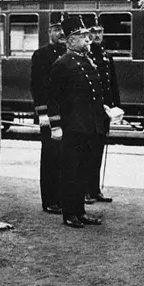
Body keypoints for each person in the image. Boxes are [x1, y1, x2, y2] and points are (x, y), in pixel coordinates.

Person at [47, 16, 107, 229]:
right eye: (82, 37)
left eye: (87, 36)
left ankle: (80, 211)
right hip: (72, 127)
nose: (88, 40)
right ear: (70, 41)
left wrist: (105, 110)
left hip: (89, 126)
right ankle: (69, 214)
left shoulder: (87, 60)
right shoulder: (62, 64)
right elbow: (52, 98)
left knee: (83, 170)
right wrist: (55, 126)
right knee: (70, 171)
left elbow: (93, 95)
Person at [30, 13, 67, 214]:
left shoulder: (69, 53)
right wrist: (42, 114)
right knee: (51, 156)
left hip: (67, 114)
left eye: (62, 29)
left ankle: (63, 198)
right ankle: (50, 200)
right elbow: (37, 86)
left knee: (65, 157)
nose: (60, 33)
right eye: (55, 29)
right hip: (50, 115)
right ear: (49, 32)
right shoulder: (41, 55)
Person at [85, 15, 120, 203]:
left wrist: (116, 106)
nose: (97, 35)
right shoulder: (86, 56)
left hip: (104, 112)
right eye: (93, 31)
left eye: (100, 31)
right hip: (90, 112)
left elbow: (112, 85)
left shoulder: (106, 56)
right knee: (87, 152)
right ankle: (84, 191)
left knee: (98, 150)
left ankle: (95, 189)